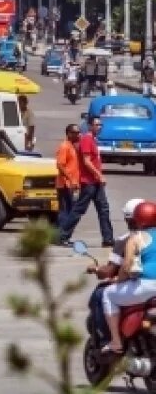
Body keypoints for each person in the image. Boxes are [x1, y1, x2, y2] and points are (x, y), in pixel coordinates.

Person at [86, 198, 150, 342]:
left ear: (129, 219)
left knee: (102, 295)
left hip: (139, 285)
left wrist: (96, 269)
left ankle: (109, 339)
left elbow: (114, 270)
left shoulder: (127, 240)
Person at [100, 201, 156, 357]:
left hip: (146, 286)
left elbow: (127, 266)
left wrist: (118, 281)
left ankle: (116, 342)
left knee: (108, 294)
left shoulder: (136, 238)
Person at [59, 116, 114, 247]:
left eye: (101, 125)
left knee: (103, 209)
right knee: (79, 210)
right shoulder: (87, 140)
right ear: (90, 126)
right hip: (88, 182)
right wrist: (99, 175)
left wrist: (98, 178)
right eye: (96, 124)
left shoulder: (93, 140)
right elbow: (86, 161)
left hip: (96, 182)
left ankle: (108, 239)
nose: (99, 127)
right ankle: (62, 236)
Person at [55, 124, 82, 229]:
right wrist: (70, 179)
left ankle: (63, 235)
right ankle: (61, 236)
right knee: (65, 211)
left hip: (71, 184)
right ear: (69, 134)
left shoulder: (72, 146)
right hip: (64, 185)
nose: (78, 135)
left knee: (70, 210)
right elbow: (60, 165)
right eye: (75, 133)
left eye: (78, 132)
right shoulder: (64, 146)